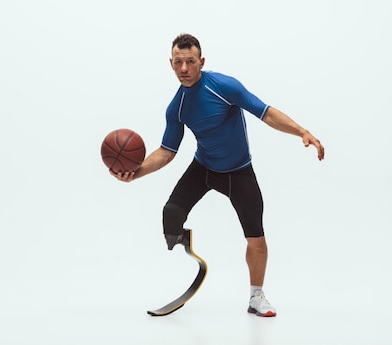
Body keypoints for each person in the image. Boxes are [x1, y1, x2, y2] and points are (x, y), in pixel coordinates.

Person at [110, 33, 324, 317]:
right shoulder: (177, 107)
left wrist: (302, 132)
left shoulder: (223, 86)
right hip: (203, 168)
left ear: (201, 61)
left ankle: (256, 297)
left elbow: (266, 112)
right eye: (178, 62)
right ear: (170, 64)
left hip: (239, 172)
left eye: (189, 61)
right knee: (171, 213)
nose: (184, 68)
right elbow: (166, 151)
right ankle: (186, 246)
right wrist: (134, 174)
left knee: (256, 238)